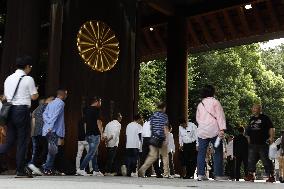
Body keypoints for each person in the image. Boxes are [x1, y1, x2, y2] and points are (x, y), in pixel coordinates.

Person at [0, 56, 38, 178]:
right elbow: (34, 97)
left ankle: (20, 168)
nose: (30, 69)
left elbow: (5, 97)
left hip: (9, 111)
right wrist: (36, 91)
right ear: (27, 66)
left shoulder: (8, 79)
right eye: (30, 67)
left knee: (10, 140)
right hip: (22, 110)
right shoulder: (28, 79)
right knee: (22, 141)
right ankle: (20, 170)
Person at [196, 85, 226, 181]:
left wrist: (203, 125)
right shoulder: (215, 102)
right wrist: (222, 129)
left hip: (202, 131)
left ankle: (200, 174)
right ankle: (218, 175)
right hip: (214, 130)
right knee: (217, 152)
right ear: (213, 92)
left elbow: (198, 118)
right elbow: (220, 116)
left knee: (201, 153)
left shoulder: (200, 104)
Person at [138, 102, 172, 179]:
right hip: (161, 138)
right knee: (165, 156)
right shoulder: (164, 116)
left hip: (153, 138)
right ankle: (166, 173)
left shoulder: (153, 116)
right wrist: (166, 138)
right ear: (164, 108)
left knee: (152, 156)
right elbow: (165, 127)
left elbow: (151, 127)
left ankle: (142, 169)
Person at [244, 104, 275, 182]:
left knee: (266, 160)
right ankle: (251, 175)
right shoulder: (251, 119)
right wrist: (248, 139)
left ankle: (271, 176)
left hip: (263, 143)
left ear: (260, 109)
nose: (254, 109)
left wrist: (271, 137)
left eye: (256, 108)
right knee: (251, 160)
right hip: (252, 144)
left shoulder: (265, 118)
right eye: (253, 108)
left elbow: (271, 128)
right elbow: (247, 131)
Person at [76, 96, 104, 176]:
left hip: (88, 134)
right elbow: (99, 122)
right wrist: (101, 133)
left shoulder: (87, 110)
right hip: (95, 134)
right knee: (91, 152)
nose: (101, 104)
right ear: (97, 101)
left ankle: (95, 170)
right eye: (100, 102)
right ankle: (81, 169)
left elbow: (85, 123)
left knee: (94, 153)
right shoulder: (96, 110)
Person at [42, 89, 67, 175]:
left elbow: (44, 114)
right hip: (53, 130)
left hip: (47, 129)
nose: (66, 96)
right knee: (52, 151)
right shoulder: (61, 103)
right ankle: (47, 168)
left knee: (52, 150)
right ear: (62, 95)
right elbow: (55, 116)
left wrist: (48, 123)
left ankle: (49, 168)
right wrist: (50, 126)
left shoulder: (51, 103)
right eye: (65, 94)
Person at [28, 96, 54, 175]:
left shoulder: (36, 109)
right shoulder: (46, 107)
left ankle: (34, 167)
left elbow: (33, 121)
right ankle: (33, 164)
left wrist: (32, 133)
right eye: (52, 100)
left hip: (35, 132)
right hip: (41, 131)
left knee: (37, 150)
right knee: (45, 149)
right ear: (48, 100)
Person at [75, 98, 93, 173]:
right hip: (86, 139)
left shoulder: (80, 120)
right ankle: (91, 169)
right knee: (90, 155)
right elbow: (86, 129)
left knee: (79, 155)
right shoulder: (87, 119)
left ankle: (77, 169)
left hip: (80, 139)